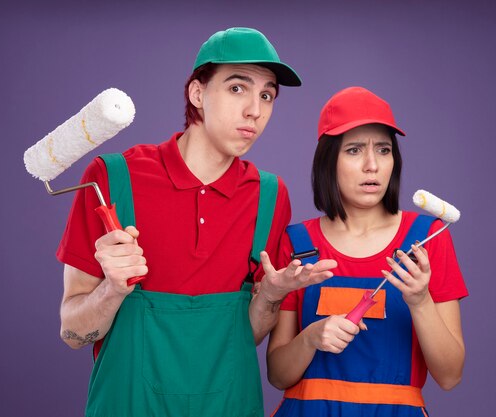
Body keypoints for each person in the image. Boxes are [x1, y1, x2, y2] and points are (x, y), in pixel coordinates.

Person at [56, 27, 336, 417]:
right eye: (238, 88)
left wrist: (269, 297)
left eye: (267, 94)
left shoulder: (269, 196)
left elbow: (244, 337)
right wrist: (112, 290)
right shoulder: (113, 179)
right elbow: (72, 332)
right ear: (198, 93)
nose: (255, 110)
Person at [264, 86, 469, 416]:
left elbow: (450, 376)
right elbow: (278, 375)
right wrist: (311, 338)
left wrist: (420, 300)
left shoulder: (426, 240)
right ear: (328, 161)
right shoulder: (298, 245)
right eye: (355, 150)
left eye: (384, 150)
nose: (372, 165)